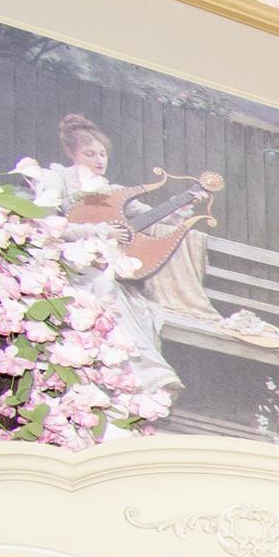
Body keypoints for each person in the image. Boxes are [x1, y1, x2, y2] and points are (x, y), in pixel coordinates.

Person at [29, 113, 184, 408]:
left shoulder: (111, 191)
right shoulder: (57, 178)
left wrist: (179, 209)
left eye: (103, 154)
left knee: (125, 296)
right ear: (72, 152)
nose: (99, 160)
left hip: (99, 264)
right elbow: (48, 224)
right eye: (90, 153)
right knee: (105, 286)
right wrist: (98, 230)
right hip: (61, 260)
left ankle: (138, 379)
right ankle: (144, 374)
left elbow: (147, 212)